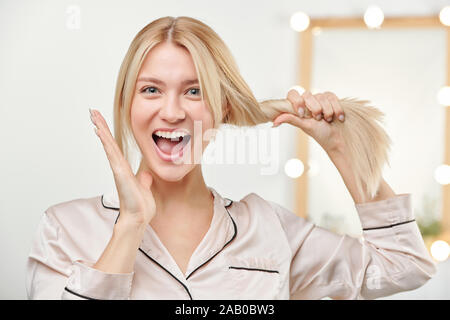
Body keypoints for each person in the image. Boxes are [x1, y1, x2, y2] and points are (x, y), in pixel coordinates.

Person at [26, 16, 436, 300]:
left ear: (223, 108)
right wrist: (130, 226)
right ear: (126, 105)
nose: (171, 112)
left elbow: (404, 265)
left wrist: (344, 151)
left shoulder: (271, 229)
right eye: (151, 90)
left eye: (194, 91)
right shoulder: (66, 228)